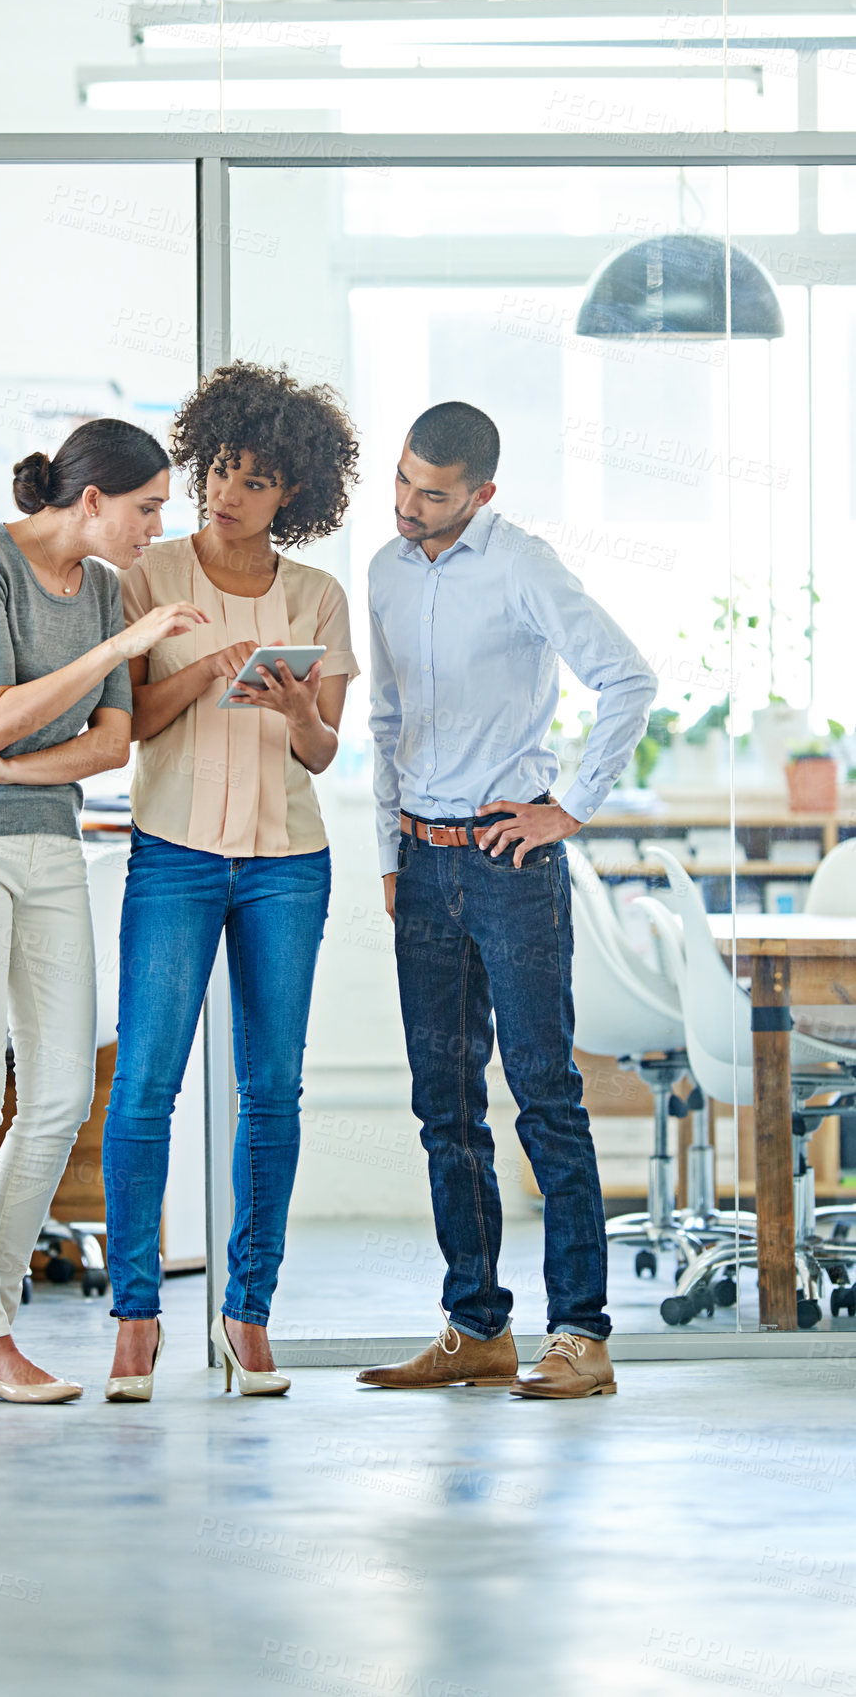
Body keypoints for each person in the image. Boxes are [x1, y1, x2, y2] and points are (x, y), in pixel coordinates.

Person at [0, 417, 206, 1405]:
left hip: (48, 846)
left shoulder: (110, 588)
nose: (154, 528)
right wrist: (116, 649)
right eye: (147, 509)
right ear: (91, 502)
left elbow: (111, 744)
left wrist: (14, 766)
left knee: (65, 1091)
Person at [358, 401, 656, 1400]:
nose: (407, 505)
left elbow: (627, 678)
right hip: (423, 861)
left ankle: (580, 1335)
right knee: (443, 1107)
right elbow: (386, 720)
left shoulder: (522, 564)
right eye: (401, 481)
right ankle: (475, 1328)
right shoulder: (385, 574)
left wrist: (564, 809)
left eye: (431, 493)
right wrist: (389, 856)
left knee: (543, 1096)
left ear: (480, 494)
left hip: (507, 863)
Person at [102, 360, 361, 1401]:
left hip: (285, 865)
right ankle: (134, 1320)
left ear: (291, 491)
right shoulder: (147, 578)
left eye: (252, 478)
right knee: (145, 1084)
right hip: (171, 850)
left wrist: (294, 707)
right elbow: (127, 730)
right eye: (216, 469)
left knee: (273, 1091)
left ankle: (247, 1314)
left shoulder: (318, 594)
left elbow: (323, 753)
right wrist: (205, 675)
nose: (225, 491)